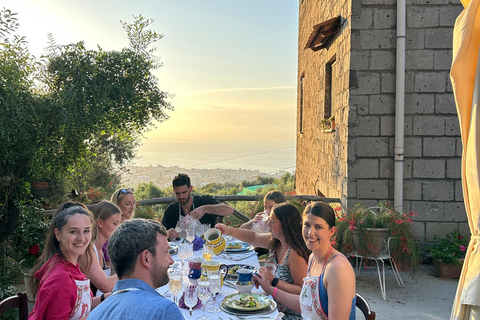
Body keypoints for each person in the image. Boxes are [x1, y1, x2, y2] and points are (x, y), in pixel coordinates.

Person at [253, 202, 356, 320]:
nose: (310, 232)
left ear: (332, 231)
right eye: (307, 225)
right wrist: (270, 288)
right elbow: (306, 304)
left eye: (318, 227)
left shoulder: (337, 268)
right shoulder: (313, 258)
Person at [216, 203, 310, 320]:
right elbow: (254, 237)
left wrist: (273, 281)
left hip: (288, 315)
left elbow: (304, 291)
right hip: (272, 305)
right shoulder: (278, 242)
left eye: (272, 221)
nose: (268, 224)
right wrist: (228, 230)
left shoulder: (295, 254)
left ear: (285, 224)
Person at [88, 219, 184, 320]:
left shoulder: (95, 314)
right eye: (166, 252)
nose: (171, 261)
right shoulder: (164, 311)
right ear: (146, 258)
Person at [28, 202, 104, 319]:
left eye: (86, 231)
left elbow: (76, 306)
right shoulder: (60, 279)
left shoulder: (68, 265)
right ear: (58, 234)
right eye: (73, 231)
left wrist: (104, 299)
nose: (81, 238)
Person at [162, 173, 234, 240]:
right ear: (174, 191)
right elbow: (159, 235)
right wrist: (167, 233)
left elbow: (229, 210)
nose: (181, 196)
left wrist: (205, 209)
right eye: (178, 193)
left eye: (184, 192)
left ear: (191, 188)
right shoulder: (171, 210)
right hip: (184, 251)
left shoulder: (203, 201)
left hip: (207, 249)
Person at [88, 200, 122, 296]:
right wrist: (134, 271)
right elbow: (105, 285)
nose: (118, 228)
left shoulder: (100, 249)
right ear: (100, 223)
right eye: (115, 223)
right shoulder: (89, 250)